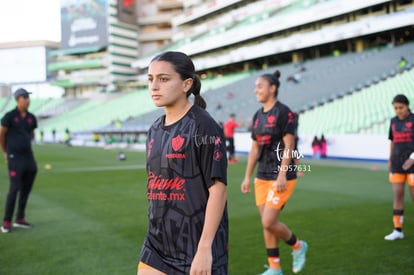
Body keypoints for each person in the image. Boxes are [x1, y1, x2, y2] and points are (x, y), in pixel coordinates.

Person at [137, 51, 228, 275]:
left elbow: (218, 189)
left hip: (195, 246)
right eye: (151, 79)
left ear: (186, 84)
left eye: (164, 79)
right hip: (156, 245)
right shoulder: (154, 129)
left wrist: (205, 248)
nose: (154, 86)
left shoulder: (204, 126)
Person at [241, 70, 308, 275]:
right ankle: (275, 268)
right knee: (267, 225)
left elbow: (289, 146)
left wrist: (281, 174)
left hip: (282, 176)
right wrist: (247, 176)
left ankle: (298, 246)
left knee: (268, 221)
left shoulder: (284, 113)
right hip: (262, 175)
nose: (256, 90)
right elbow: (254, 149)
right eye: (255, 87)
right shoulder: (257, 115)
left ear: (272, 88)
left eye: (259, 86)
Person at [0, 88, 38, 233]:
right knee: (14, 188)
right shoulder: (9, 116)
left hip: (28, 156)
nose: (27, 100)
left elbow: (32, 134)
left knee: (26, 188)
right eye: (24, 97)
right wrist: (6, 152)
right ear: (17, 100)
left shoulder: (31, 118)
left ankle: (20, 218)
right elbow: (1, 135)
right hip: (14, 157)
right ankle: (6, 221)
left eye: (28, 97)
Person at [385, 94, 414, 241]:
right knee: (397, 194)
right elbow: (393, 141)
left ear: (407, 106)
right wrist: (390, 158)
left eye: (401, 107)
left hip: (412, 164)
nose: (398, 111)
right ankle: (398, 230)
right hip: (397, 163)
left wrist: (412, 158)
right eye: (396, 108)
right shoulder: (393, 122)